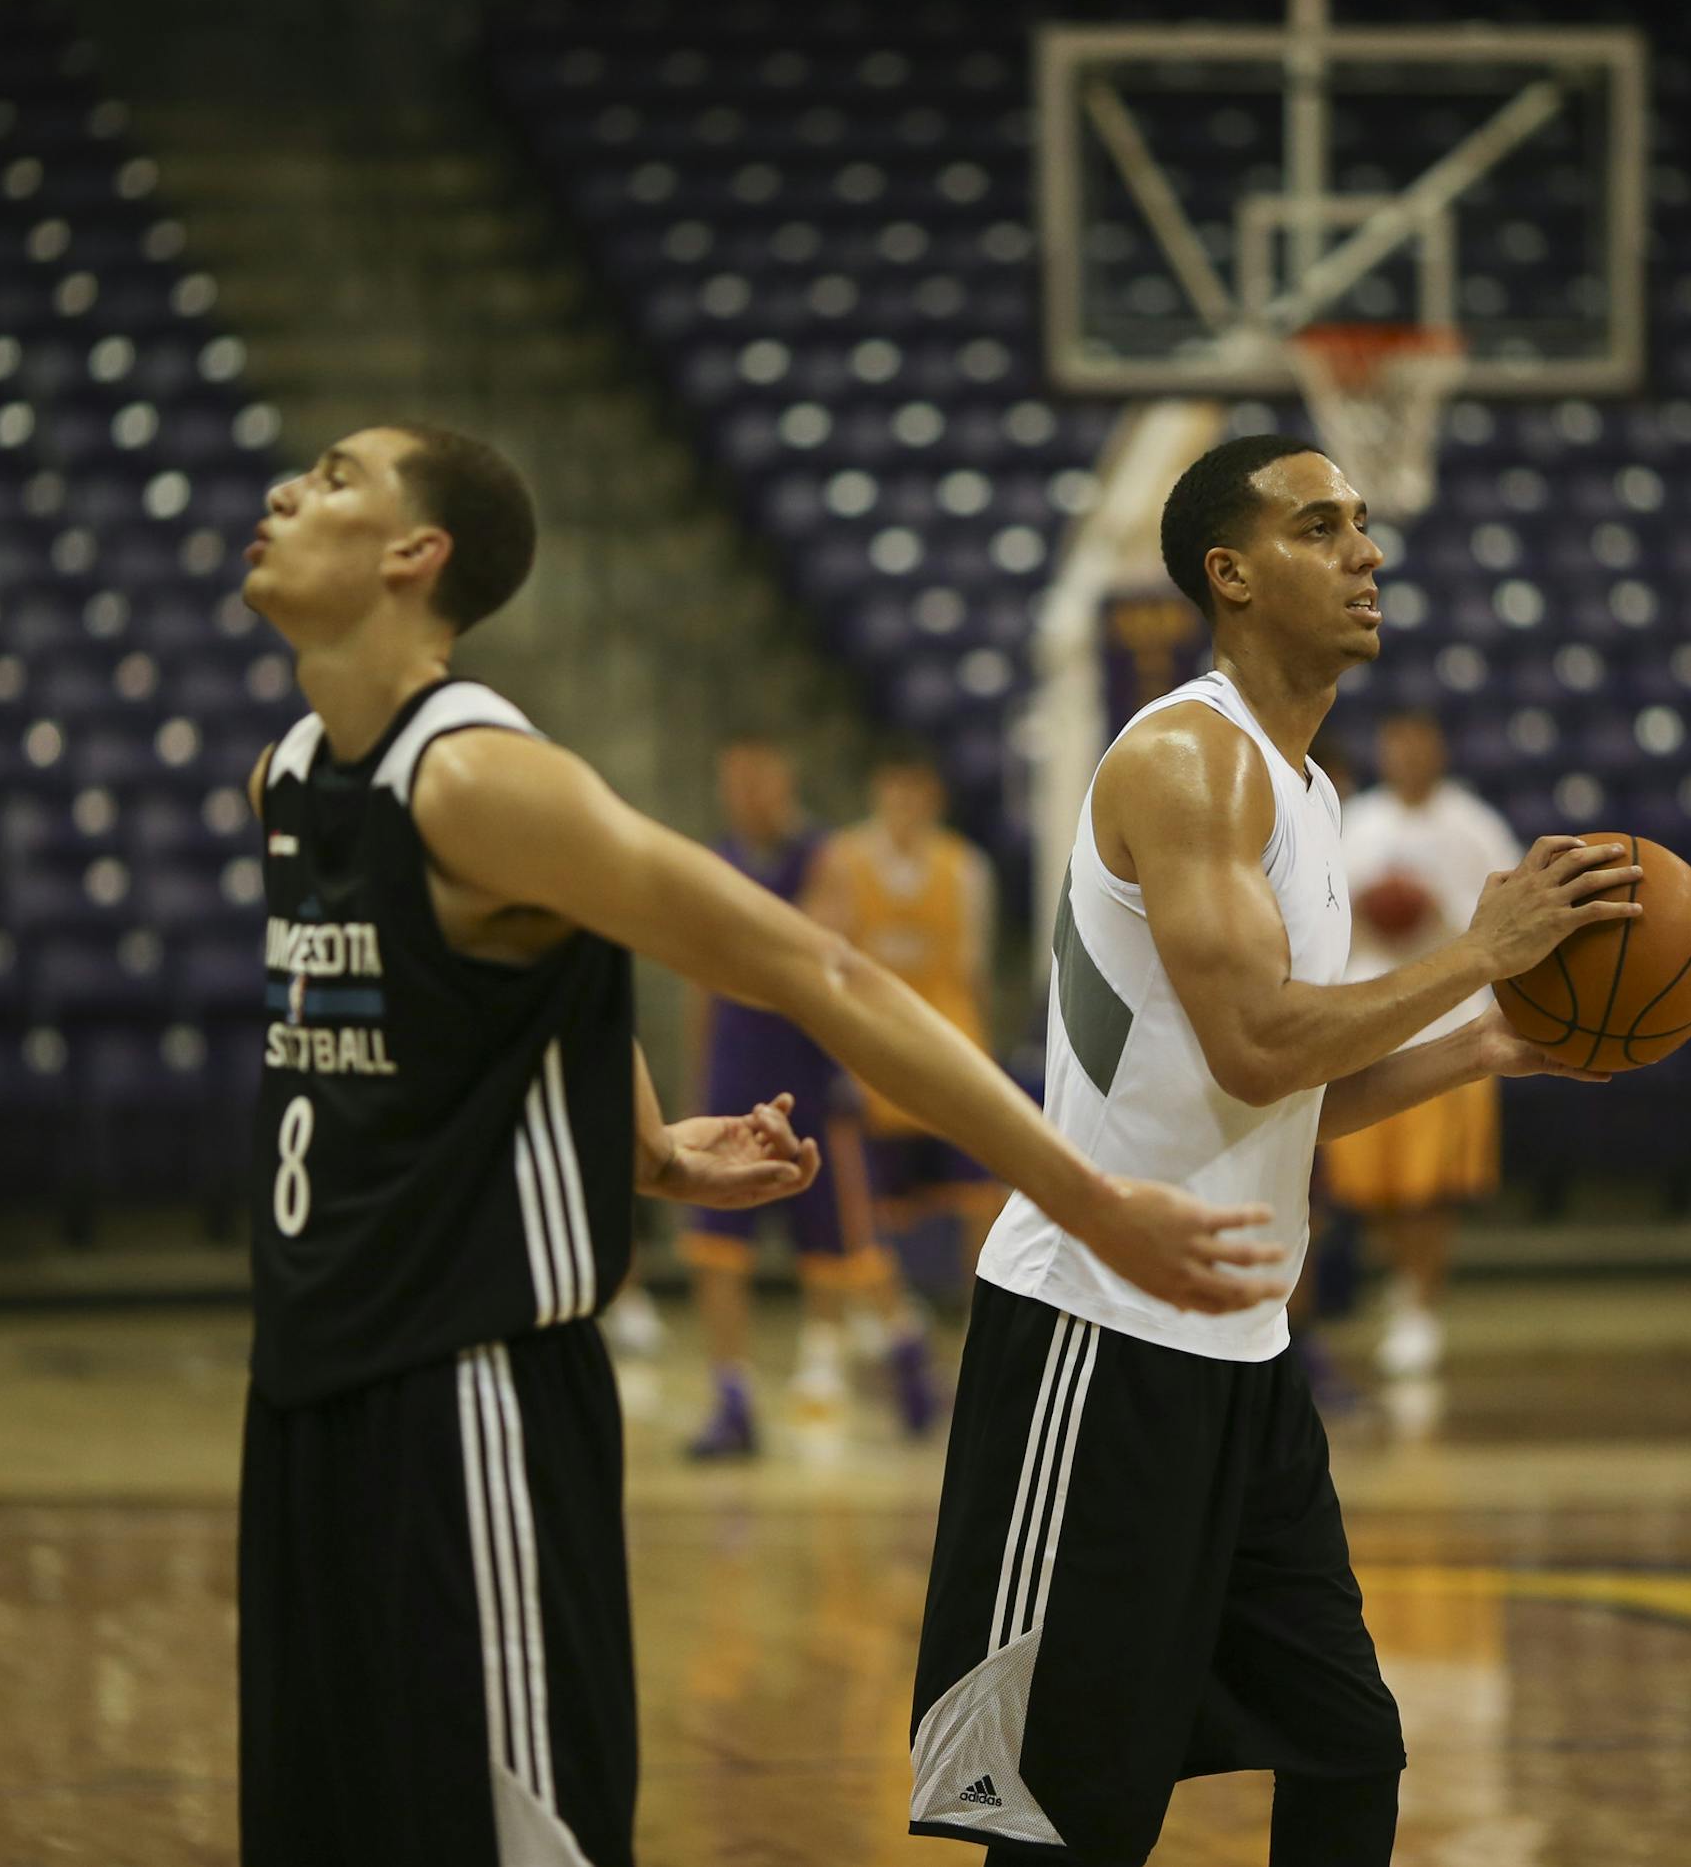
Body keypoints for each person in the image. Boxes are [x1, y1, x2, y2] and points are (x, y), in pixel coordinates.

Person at [232, 423, 1277, 1867]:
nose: (290, 490)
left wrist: (1089, 1201)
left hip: (460, 1385)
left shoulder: (478, 780)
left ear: (418, 557)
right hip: (301, 1379)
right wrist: (652, 1148)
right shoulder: (287, 775)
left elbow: (825, 975)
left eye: (339, 478)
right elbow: (504, 1001)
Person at [907, 434, 1640, 1867]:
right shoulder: (1190, 760)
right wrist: (1478, 951)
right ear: (1230, 575)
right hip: (1097, 1334)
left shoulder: (1310, 791)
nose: (1367, 552)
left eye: (1363, 525)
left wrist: (1480, 1042)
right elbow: (1257, 1041)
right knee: (1068, 1812)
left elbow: (1275, 1102)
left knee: (1346, 1742)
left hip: (1242, 1357)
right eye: (1322, 528)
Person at [676, 734, 936, 1458]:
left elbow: (815, 954)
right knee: (713, 1248)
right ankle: (732, 1397)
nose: (747, 794)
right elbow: (704, 975)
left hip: (808, 1072)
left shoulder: (825, 859)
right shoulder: (716, 860)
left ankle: (907, 1346)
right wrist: (701, 1076)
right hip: (737, 1063)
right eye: (736, 780)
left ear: (784, 781)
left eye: (760, 779)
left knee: (847, 1247)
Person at [1328, 709, 1522, 1380]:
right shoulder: (1354, 822)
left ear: (1438, 751)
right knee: (1375, 1190)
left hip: (1449, 1024)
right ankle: (1402, 1287)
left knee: (1427, 1190)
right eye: (1396, 745)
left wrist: (1437, 911)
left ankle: (1420, 1306)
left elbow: (1511, 921)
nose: (1407, 757)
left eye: (1418, 745)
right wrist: (1364, 908)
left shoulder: (1476, 826)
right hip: (1367, 1020)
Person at [809, 743, 1011, 1294]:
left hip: (950, 1053)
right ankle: (896, 1339)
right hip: (877, 1057)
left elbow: (975, 975)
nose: (904, 802)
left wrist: (983, 1058)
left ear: (933, 798)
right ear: (878, 791)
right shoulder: (844, 861)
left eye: (915, 790)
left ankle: (981, 1323)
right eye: (894, 789)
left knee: (979, 1201)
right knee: (871, 1213)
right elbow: (826, 968)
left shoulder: (965, 867)